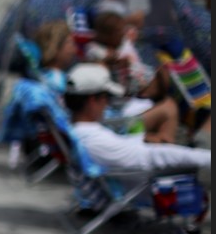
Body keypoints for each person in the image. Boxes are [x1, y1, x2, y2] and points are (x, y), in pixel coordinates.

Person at [66, 63, 211, 175]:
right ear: (92, 101)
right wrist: (206, 158)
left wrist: (146, 138)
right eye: (106, 97)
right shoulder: (95, 140)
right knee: (169, 107)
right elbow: (156, 156)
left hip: (134, 157)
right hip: (147, 179)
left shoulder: (80, 131)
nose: (107, 103)